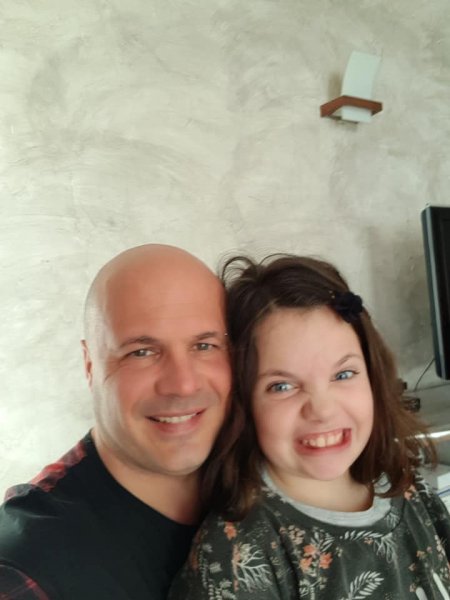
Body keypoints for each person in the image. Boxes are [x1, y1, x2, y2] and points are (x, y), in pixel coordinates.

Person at [170, 254, 450, 599]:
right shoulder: (238, 557)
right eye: (282, 386)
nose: (322, 410)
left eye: (343, 374)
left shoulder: (406, 487)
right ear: (244, 403)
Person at [0, 244, 232, 599]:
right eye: (141, 352)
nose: (183, 384)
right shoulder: (26, 570)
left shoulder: (261, 480)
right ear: (89, 365)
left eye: (204, 346)